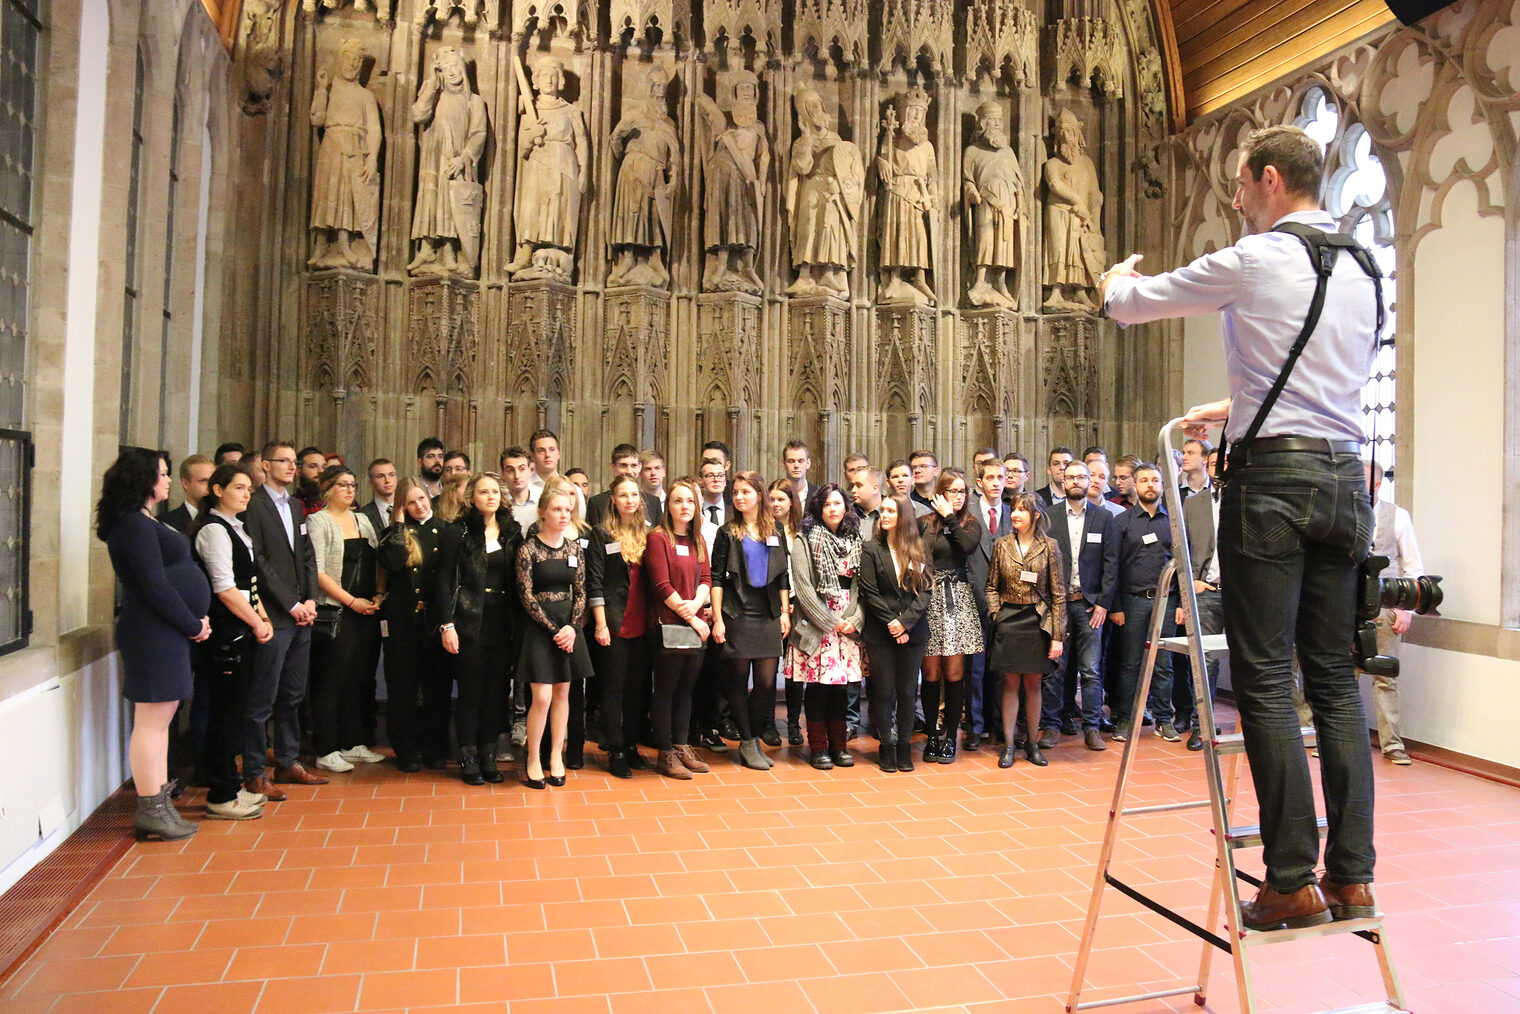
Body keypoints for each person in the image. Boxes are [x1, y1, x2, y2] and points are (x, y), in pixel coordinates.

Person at [1102, 124, 1382, 930]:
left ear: (1267, 179)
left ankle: (1290, 879)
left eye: (1237, 183)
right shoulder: (1362, 263)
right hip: (1344, 479)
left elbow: (1130, 307)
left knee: (1260, 678)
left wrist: (1115, 276)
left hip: (1274, 488)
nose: (1232, 198)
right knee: (1331, 680)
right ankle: (1353, 876)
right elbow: (1325, 378)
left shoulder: (1259, 258)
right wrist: (1237, 407)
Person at [98, 448, 212, 840]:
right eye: (162, 474)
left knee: (161, 720)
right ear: (142, 480)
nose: (167, 480)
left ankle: (160, 804)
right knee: (152, 721)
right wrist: (192, 623)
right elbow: (154, 585)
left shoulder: (147, 521)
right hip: (152, 632)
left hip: (166, 631)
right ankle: (150, 808)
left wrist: (194, 620)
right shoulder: (132, 525)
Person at [188, 463, 273, 820]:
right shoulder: (213, 529)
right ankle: (221, 792)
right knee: (225, 714)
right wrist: (255, 621)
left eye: (249, 489)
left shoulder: (237, 528)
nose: (245, 494)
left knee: (237, 711)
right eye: (238, 487)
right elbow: (224, 587)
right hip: (227, 632)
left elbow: (248, 582)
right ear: (218, 489)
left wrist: (262, 616)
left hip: (244, 629)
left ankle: (232, 786)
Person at [243, 441, 326, 800]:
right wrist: (291, 603)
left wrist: (309, 598)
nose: (292, 467)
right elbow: (258, 562)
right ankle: (254, 772)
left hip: (300, 615)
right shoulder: (254, 505)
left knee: (292, 694)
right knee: (262, 698)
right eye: (284, 461)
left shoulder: (294, 506)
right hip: (274, 615)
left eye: (295, 462)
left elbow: (307, 556)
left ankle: (288, 760)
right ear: (264, 465)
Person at [436, 472, 524, 785]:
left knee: (496, 691)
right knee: (472, 690)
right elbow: (444, 581)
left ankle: (489, 752)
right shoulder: (457, 532)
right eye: (483, 492)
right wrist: (447, 624)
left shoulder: (513, 532)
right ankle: (468, 754)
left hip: (504, 624)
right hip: (468, 621)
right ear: (471, 497)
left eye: (495, 492)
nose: (490, 497)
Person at [710, 471, 791, 770]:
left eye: (746, 491)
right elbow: (716, 578)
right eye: (735, 492)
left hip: (768, 612)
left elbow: (783, 574)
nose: (740, 497)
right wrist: (717, 618)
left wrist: (784, 612)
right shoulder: (727, 532)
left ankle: (753, 736)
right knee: (738, 680)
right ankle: (746, 741)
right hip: (737, 614)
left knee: (767, 683)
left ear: (760, 494)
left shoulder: (776, 530)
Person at [307, 466, 385, 774]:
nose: (350, 490)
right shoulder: (318, 521)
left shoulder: (362, 519)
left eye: (352, 485)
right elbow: (317, 571)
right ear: (327, 489)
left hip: (365, 611)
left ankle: (353, 743)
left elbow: (377, 562)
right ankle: (327, 748)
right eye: (342, 485)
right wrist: (351, 601)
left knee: (358, 679)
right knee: (332, 681)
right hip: (337, 611)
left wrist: (379, 593)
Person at [516, 486, 594, 789]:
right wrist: (553, 629)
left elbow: (581, 591)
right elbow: (526, 595)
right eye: (557, 509)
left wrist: (572, 627)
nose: (563, 515)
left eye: (567, 510)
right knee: (542, 697)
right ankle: (533, 756)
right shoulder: (529, 549)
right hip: (540, 627)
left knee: (564, 693)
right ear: (542, 513)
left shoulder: (574, 549)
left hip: (568, 628)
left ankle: (555, 757)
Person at [785, 484, 866, 769]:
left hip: (848, 624)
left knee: (841, 689)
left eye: (838, 503)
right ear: (818, 509)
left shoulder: (856, 539)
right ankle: (818, 748)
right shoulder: (804, 539)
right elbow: (804, 588)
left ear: (847, 507)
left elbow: (860, 586)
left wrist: (853, 620)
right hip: (818, 623)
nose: (833, 509)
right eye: (827, 504)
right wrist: (831, 621)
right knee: (818, 689)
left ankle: (840, 746)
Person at [1042, 460, 1118, 753]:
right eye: (1070, 476)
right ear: (1062, 481)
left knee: (1090, 670)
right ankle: (1050, 726)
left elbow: (1112, 565)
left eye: (1081, 477)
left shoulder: (1103, 518)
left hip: (1090, 608)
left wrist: (1103, 603)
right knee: (1055, 668)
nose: (1075, 481)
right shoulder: (1048, 517)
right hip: (1058, 606)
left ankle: (1092, 727)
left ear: (1090, 481)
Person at [377, 477, 452, 772]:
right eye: (411, 502)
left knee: (437, 687)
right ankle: (406, 750)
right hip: (402, 622)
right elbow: (393, 563)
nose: (419, 506)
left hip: (435, 621)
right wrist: (397, 525)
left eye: (422, 499)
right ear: (401, 507)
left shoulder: (445, 531)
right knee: (403, 687)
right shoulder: (393, 534)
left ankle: (435, 747)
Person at [986, 491, 1065, 767]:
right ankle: (1008, 745)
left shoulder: (1050, 546)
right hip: (1008, 618)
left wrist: (1057, 635)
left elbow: (1058, 594)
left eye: (1022, 510)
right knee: (1009, 683)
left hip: (1037, 620)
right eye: (1014, 508)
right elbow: (991, 586)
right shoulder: (1002, 545)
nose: (1016, 514)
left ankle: (1032, 743)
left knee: (1033, 685)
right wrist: (996, 614)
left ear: (1036, 515)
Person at [643, 477, 713, 779]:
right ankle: (665, 753)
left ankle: (682, 745)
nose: (684, 506)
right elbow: (661, 584)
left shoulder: (697, 539)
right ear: (668, 506)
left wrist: (697, 605)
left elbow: (707, 579)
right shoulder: (658, 538)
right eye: (678, 501)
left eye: (689, 501)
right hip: (668, 626)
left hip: (694, 624)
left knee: (687, 691)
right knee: (667, 690)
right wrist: (693, 617)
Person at [857, 495, 932, 772]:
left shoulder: (919, 548)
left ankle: (904, 746)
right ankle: (886, 745)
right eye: (883, 511)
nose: (884, 515)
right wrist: (892, 622)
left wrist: (906, 623)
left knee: (908, 691)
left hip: (913, 632)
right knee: (884, 692)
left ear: (905, 517)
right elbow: (870, 591)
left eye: (891, 511)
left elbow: (925, 590)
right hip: (881, 632)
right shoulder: (871, 549)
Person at [588, 475, 655, 778]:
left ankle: (631, 745)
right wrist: (600, 624)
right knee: (613, 687)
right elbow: (595, 583)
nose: (629, 500)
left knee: (638, 688)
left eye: (634, 495)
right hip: (614, 622)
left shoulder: (650, 534)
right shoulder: (602, 534)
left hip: (644, 622)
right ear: (613, 499)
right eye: (623, 495)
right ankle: (615, 748)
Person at [917, 469, 986, 764]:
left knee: (955, 672)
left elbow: (967, 547)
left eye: (962, 492)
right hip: (930, 598)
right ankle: (932, 734)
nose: (957, 497)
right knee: (930, 672)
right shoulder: (924, 523)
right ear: (940, 493)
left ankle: (952, 736)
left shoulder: (970, 524)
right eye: (952, 491)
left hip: (958, 598)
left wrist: (950, 517)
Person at [1109, 463, 1178, 742]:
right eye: (1144, 480)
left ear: (1162, 486)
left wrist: (1183, 604)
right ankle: (1125, 719)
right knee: (1129, 664)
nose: (1150, 485)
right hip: (1133, 602)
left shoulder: (1173, 521)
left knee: (1164, 664)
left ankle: (1164, 719)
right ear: (1135, 487)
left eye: (1155, 480)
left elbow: (1182, 565)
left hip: (1167, 603)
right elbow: (1111, 567)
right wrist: (1115, 606)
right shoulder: (1122, 523)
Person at [768, 478, 807, 746]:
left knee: (795, 669)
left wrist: (797, 601)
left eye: (781, 499)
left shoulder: (803, 531)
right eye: (771, 499)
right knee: (769, 668)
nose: (775, 504)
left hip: (800, 605)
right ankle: (767, 722)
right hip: (773, 604)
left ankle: (793, 723)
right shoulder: (764, 530)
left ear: (791, 502)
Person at [586, 443, 663, 527]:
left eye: (633, 465)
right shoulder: (597, 503)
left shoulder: (653, 503)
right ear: (613, 467)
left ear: (639, 467)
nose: (629, 471)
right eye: (623, 466)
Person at [162, 454, 213, 534]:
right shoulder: (166, 524)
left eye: (213, 481)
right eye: (203, 481)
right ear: (185, 483)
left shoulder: (223, 518)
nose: (210, 486)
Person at [359, 458, 397, 535]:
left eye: (391, 475)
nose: (387, 480)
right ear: (371, 482)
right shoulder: (363, 515)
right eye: (381, 476)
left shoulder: (408, 509)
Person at [782, 440, 812, 504]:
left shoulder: (818, 494)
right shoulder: (774, 494)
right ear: (784, 464)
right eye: (791, 461)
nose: (796, 465)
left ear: (808, 463)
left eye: (801, 461)